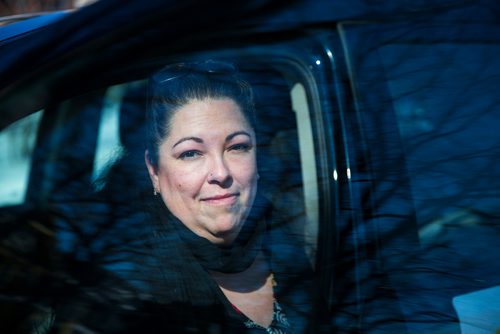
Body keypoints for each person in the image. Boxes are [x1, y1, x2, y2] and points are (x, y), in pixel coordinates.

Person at [137, 60, 320, 333]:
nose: (220, 173)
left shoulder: (292, 242)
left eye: (237, 147)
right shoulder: (128, 290)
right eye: (191, 153)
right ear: (154, 170)